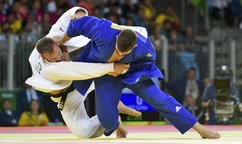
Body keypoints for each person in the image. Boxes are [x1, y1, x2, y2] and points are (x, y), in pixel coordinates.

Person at [59, 15, 220, 139]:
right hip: (104, 71)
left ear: (134, 48)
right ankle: (117, 118)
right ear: (116, 38)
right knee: (106, 121)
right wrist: (61, 42)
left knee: (159, 99)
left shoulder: (144, 47)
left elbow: (148, 64)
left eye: (123, 54)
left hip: (133, 70)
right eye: (116, 50)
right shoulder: (103, 31)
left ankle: (201, 129)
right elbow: (77, 25)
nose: (118, 55)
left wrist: (123, 69)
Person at [26, 6, 140, 138]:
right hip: (67, 98)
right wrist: (112, 67)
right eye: (54, 59)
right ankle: (113, 111)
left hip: (79, 80)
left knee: (102, 70)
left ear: (55, 44)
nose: (59, 58)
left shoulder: (53, 38)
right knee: (84, 133)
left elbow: (64, 19)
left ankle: (111, 105)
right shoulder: (49, 69)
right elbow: (81, 69)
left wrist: (78, 15)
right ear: (43, 58)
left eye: (58, 53)